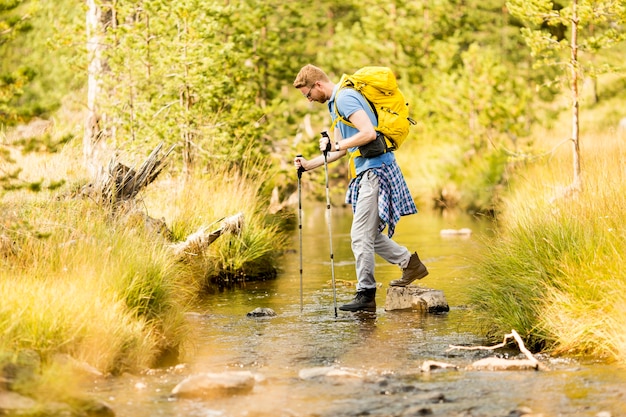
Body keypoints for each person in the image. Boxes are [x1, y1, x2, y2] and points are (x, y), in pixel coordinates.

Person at [293, 64, 428, 312]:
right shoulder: (336, 105)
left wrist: (336, 145)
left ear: (318, 85)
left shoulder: (345, 98)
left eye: (308, 95)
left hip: (375, 171)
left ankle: (366, 295)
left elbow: (367, 133)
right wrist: (308, 165)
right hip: (366, 172)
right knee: (369, 235)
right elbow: (342, 149)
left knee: (360, 236)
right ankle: (410, 264)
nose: (310, 100)